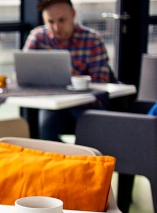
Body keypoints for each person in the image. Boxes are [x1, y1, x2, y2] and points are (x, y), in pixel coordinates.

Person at [23, 0, 111, 141]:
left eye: (62, 20)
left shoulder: (92, 39)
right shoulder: (38, 36)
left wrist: (75, 79)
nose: (56, 27)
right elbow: (23, 73)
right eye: (50, 22)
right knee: (46, 124)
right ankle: (59, 160)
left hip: (86, 105)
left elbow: (101, 81)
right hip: (54, 104)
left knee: (90, 128)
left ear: (73, 15)